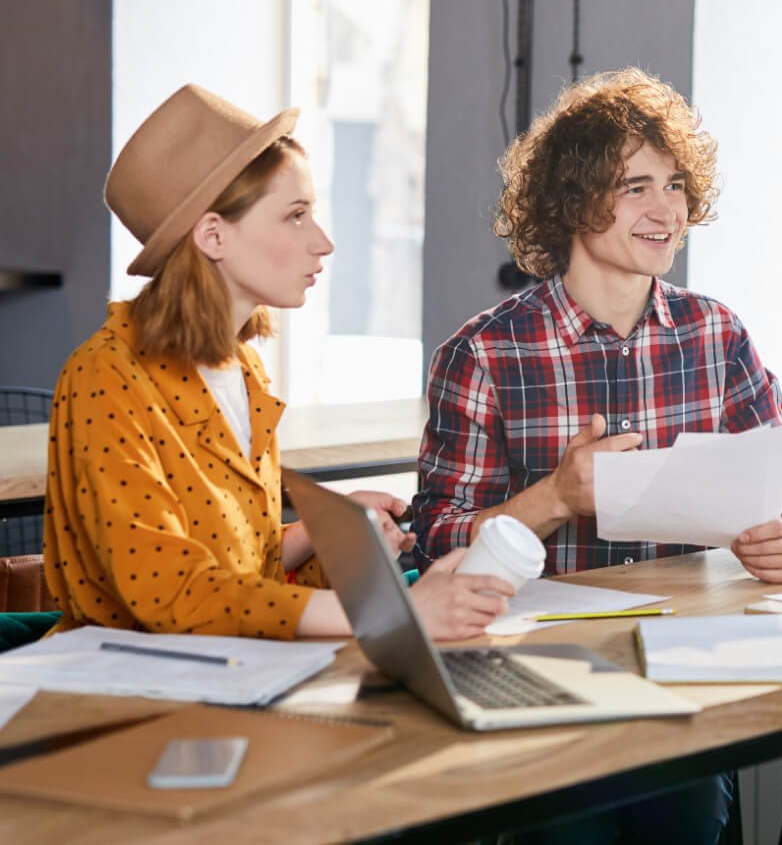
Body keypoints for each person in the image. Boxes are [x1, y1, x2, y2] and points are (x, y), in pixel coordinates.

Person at [411, 68, 782, 843]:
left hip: (689, 668)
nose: (666, 210)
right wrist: (556, 497)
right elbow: (435, 541)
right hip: (544, 681)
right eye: (635, 187)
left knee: (689, 819)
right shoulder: (483, 354)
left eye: (674, 186)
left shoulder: (715, 334)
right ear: (574, 201)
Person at [43, 84, 513, 642]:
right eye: (295, 216)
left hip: (233, 667)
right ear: (213, 235)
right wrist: (394, 614)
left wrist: (324, 536)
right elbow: (168, 590)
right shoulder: (104, 375)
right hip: (122, 680)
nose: (323, 242)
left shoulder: (242, 367)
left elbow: (245, 572)